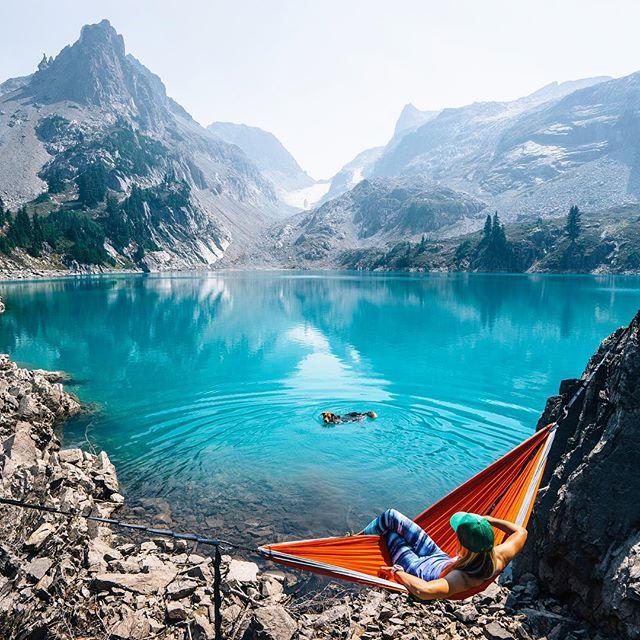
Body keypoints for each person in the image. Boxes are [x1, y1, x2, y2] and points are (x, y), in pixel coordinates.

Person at [362, 509, 527, 600]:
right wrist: (488, 520)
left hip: (418, 569)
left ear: (463, 546)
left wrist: (397, 572)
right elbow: (521, 532)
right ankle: (353, 539)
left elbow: (424, 590)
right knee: (390, 516)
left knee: (389, 534)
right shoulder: (498, 555)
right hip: (438, 557)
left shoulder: (461, 577)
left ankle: (349, 543)